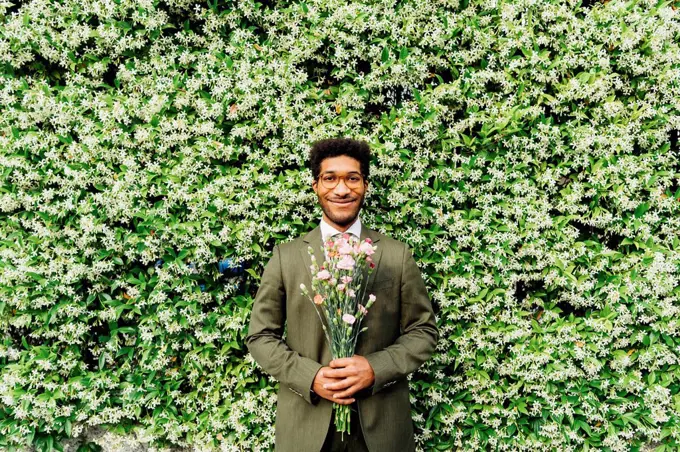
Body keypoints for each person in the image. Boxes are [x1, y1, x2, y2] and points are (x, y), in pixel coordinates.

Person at [246, 138, 438, 452]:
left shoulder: (396, 255)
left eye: (352, 178)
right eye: (330, 178)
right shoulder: (286, 257)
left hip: (381, 429)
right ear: (316, 186)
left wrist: (376, 367)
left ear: (365, 185)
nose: (341, 189)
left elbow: (424, 332)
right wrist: (312, 376)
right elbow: (261, 336)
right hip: (306, 429)